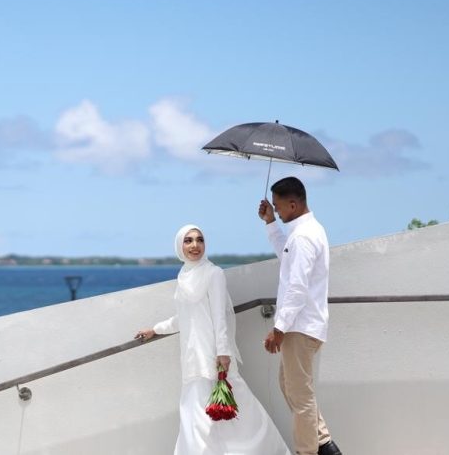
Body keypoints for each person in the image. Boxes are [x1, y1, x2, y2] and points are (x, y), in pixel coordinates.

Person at [135, 224, 291, 455]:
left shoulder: (213, 273)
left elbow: (219, 316)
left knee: (238, 414)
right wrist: (155, 330)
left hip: (214, 356)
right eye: (188, 240)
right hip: (192, 357)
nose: (195, 245)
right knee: (196, 418)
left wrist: (223, 352)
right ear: (179, 246)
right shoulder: (184, 276)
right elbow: (184, 317)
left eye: (199, 240)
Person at [258, 177, 343, 455]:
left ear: (293, 205)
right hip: (303, 325)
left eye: (278, 206)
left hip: (299, 327)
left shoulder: (304, 236)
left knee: (301, 396)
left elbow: (297, 288)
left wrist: (279, 329)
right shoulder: (303, 233)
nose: (276, 210)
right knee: (289, 386)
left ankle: (307, 451)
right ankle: (325, 445)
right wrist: (271, 223)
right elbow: (288, 260)